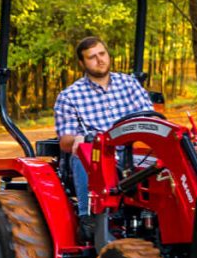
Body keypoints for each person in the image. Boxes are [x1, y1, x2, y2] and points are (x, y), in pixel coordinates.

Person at [54, 36, 153, 242]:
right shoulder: (70, 96)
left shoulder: (129, 84)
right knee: (85, 150)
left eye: (102, 54)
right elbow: (65, 141)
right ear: (82, 63)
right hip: (100, 157)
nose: (99, 60)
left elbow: (149, 119)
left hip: (134, 154)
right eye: (92, 57)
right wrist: (79, 138)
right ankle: (87, 217)